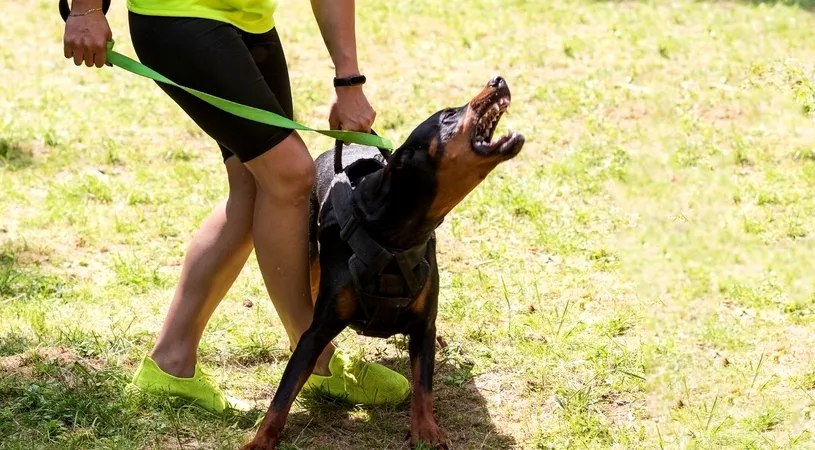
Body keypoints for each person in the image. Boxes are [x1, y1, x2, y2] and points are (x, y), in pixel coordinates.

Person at [62, 0, 410, 413]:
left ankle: (170, 363)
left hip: (251, 21)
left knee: (255, 189)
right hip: (179, 15)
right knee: (289, 175)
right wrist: (84, 8)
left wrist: (349, 82)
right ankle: (314, 355)